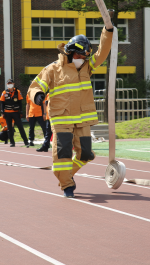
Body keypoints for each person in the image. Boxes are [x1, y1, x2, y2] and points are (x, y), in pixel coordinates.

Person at [28, 26, 113, 198]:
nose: (81, 59)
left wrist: (108, 30)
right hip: (62, 119)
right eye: (78, 55)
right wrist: (38, 96)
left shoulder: (87, 67)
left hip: (82, 119)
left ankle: (65, 175)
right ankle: (67, 185)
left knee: (86, 154)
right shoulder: (52, 69)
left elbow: (102, 52)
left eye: (84, 57)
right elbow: (36, 86)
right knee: (63, 153)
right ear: (69, 52)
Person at [0, 79, 29, 147]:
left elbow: (20, 102)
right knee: (10, 128)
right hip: (7, 113)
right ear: (7, 85)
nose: (10, 84)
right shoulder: (4, 92)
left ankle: (26, 141)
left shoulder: (17, 92)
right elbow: (2, 103)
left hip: (16, 112)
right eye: (8, 83)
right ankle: (12, 142)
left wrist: (21, 111)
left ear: (13, 84)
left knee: (20, 127)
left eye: (11, 83)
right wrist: (2, 112)